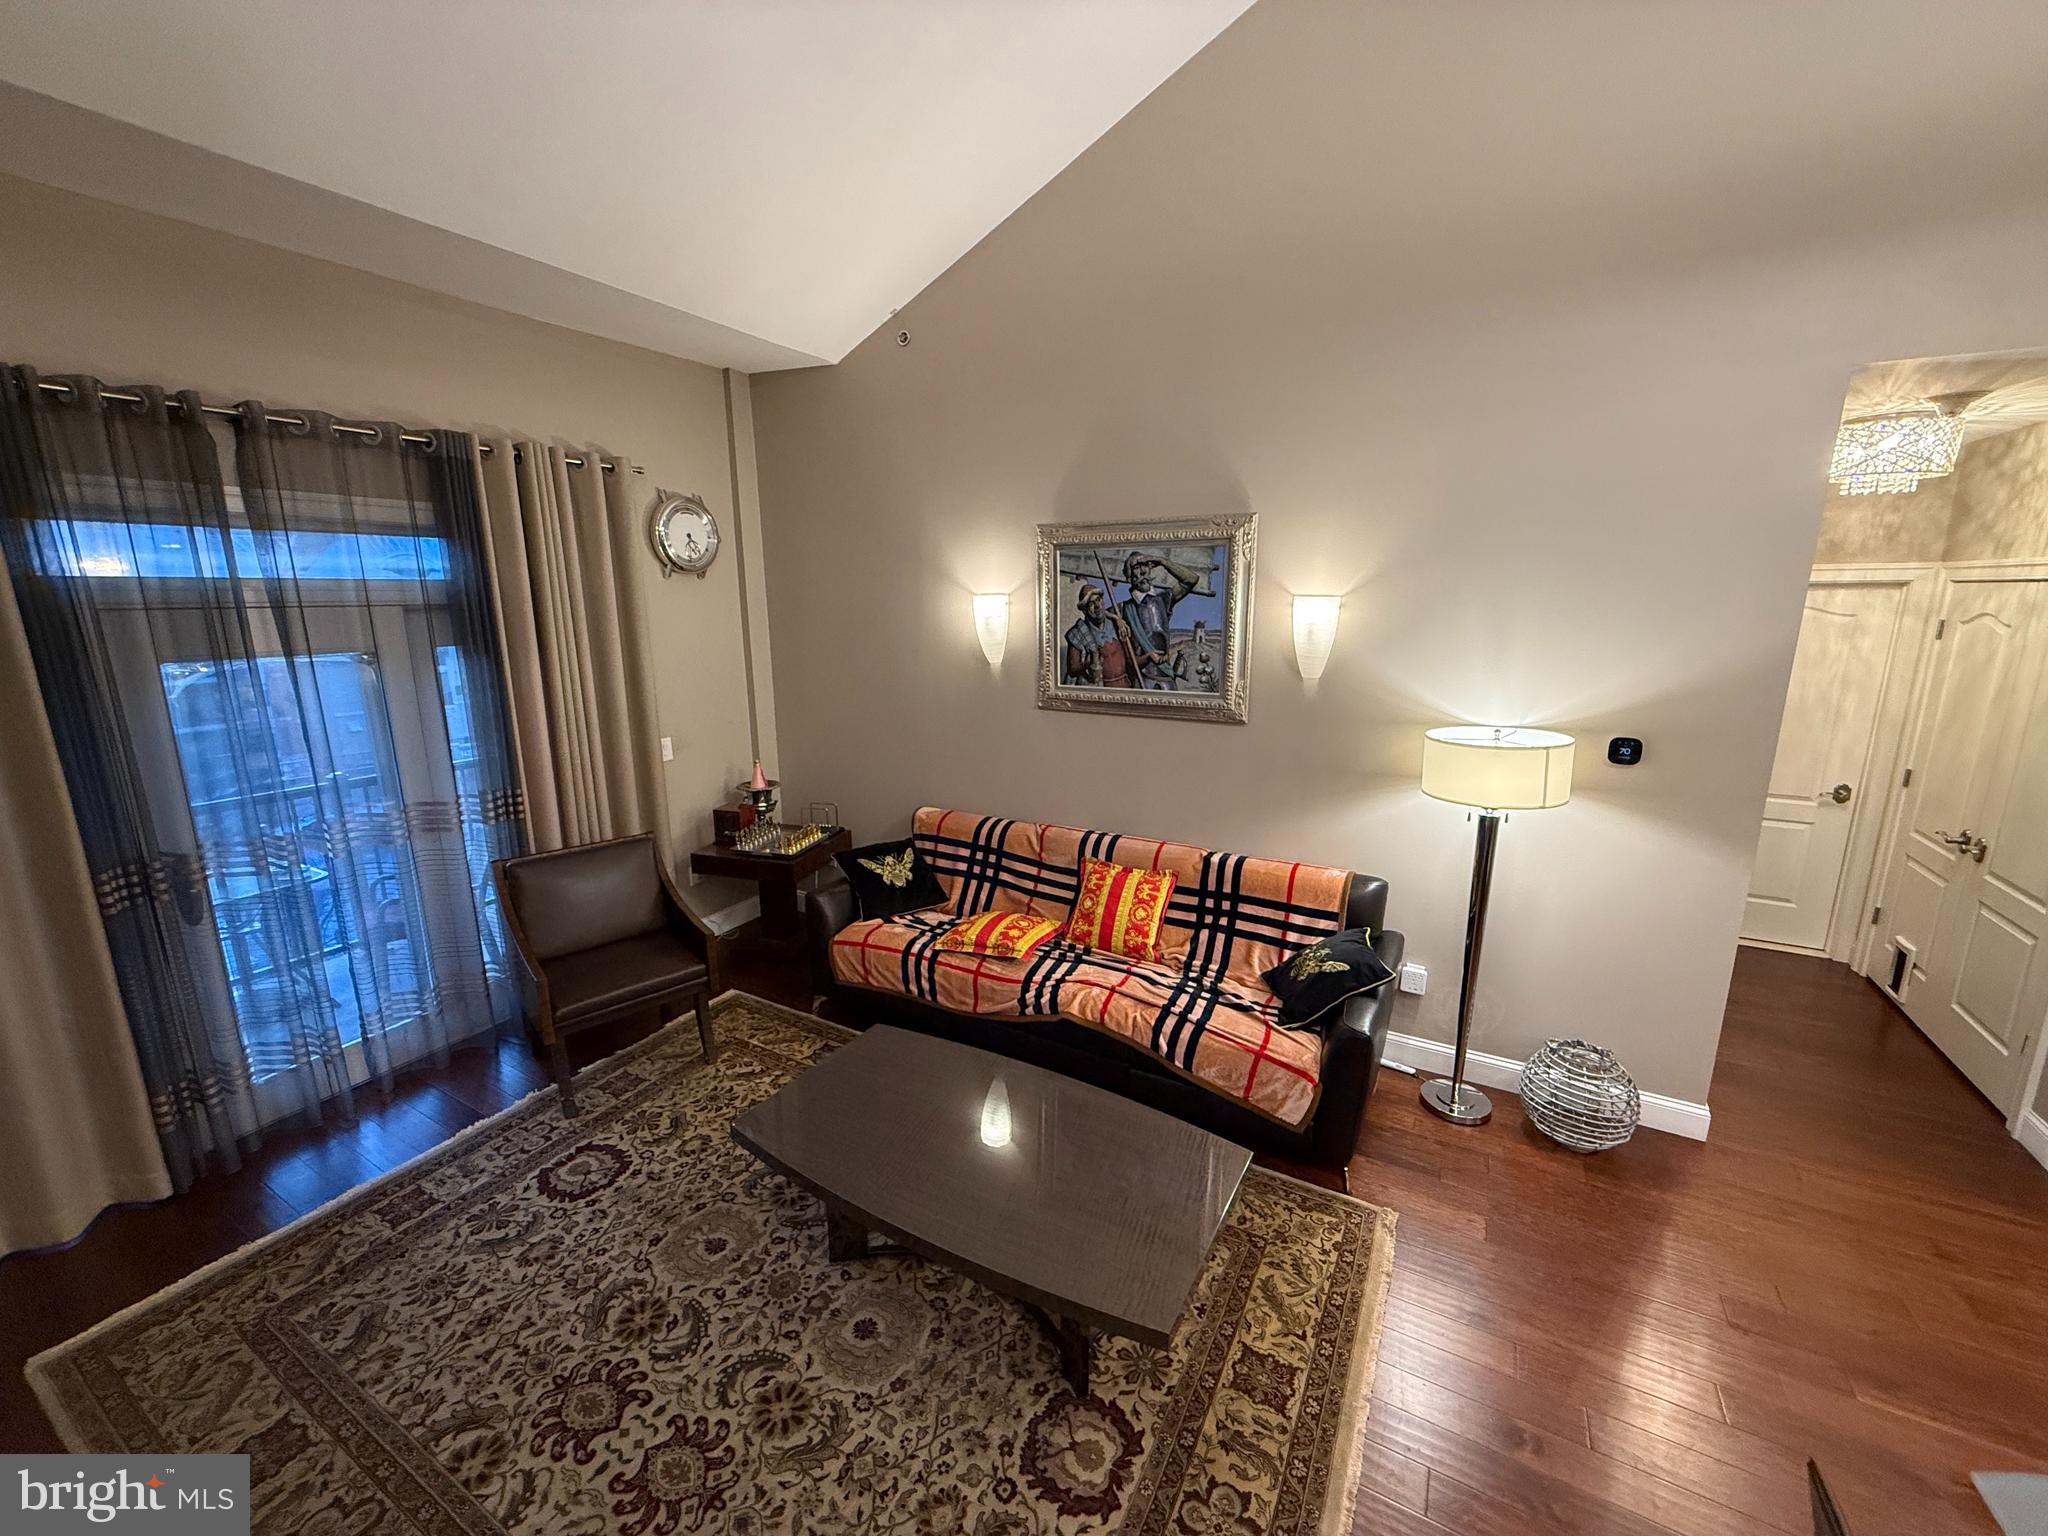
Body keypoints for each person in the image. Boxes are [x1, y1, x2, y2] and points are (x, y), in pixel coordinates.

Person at [1118, 550, 1215, 686]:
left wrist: (1163, 561)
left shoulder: (1163, 600)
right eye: (1136, 567)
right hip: (1142, 680)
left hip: (1166, 678)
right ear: (1129, 576)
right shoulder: (1124, 608)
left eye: (1145, 565)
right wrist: (1117, 619)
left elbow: (1191, 579)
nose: (1143, 571)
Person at [1063, 581, 1139, 687]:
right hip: (1100, 690)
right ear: (1084, 610)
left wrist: (1149, 657)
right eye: (1091, 604)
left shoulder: (1118, 626)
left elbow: (1131, 660)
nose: (1097, 606)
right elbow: (1072, 670)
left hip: (1124, 687)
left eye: (1098, 600)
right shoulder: (1077, 634)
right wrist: (1088, 663)